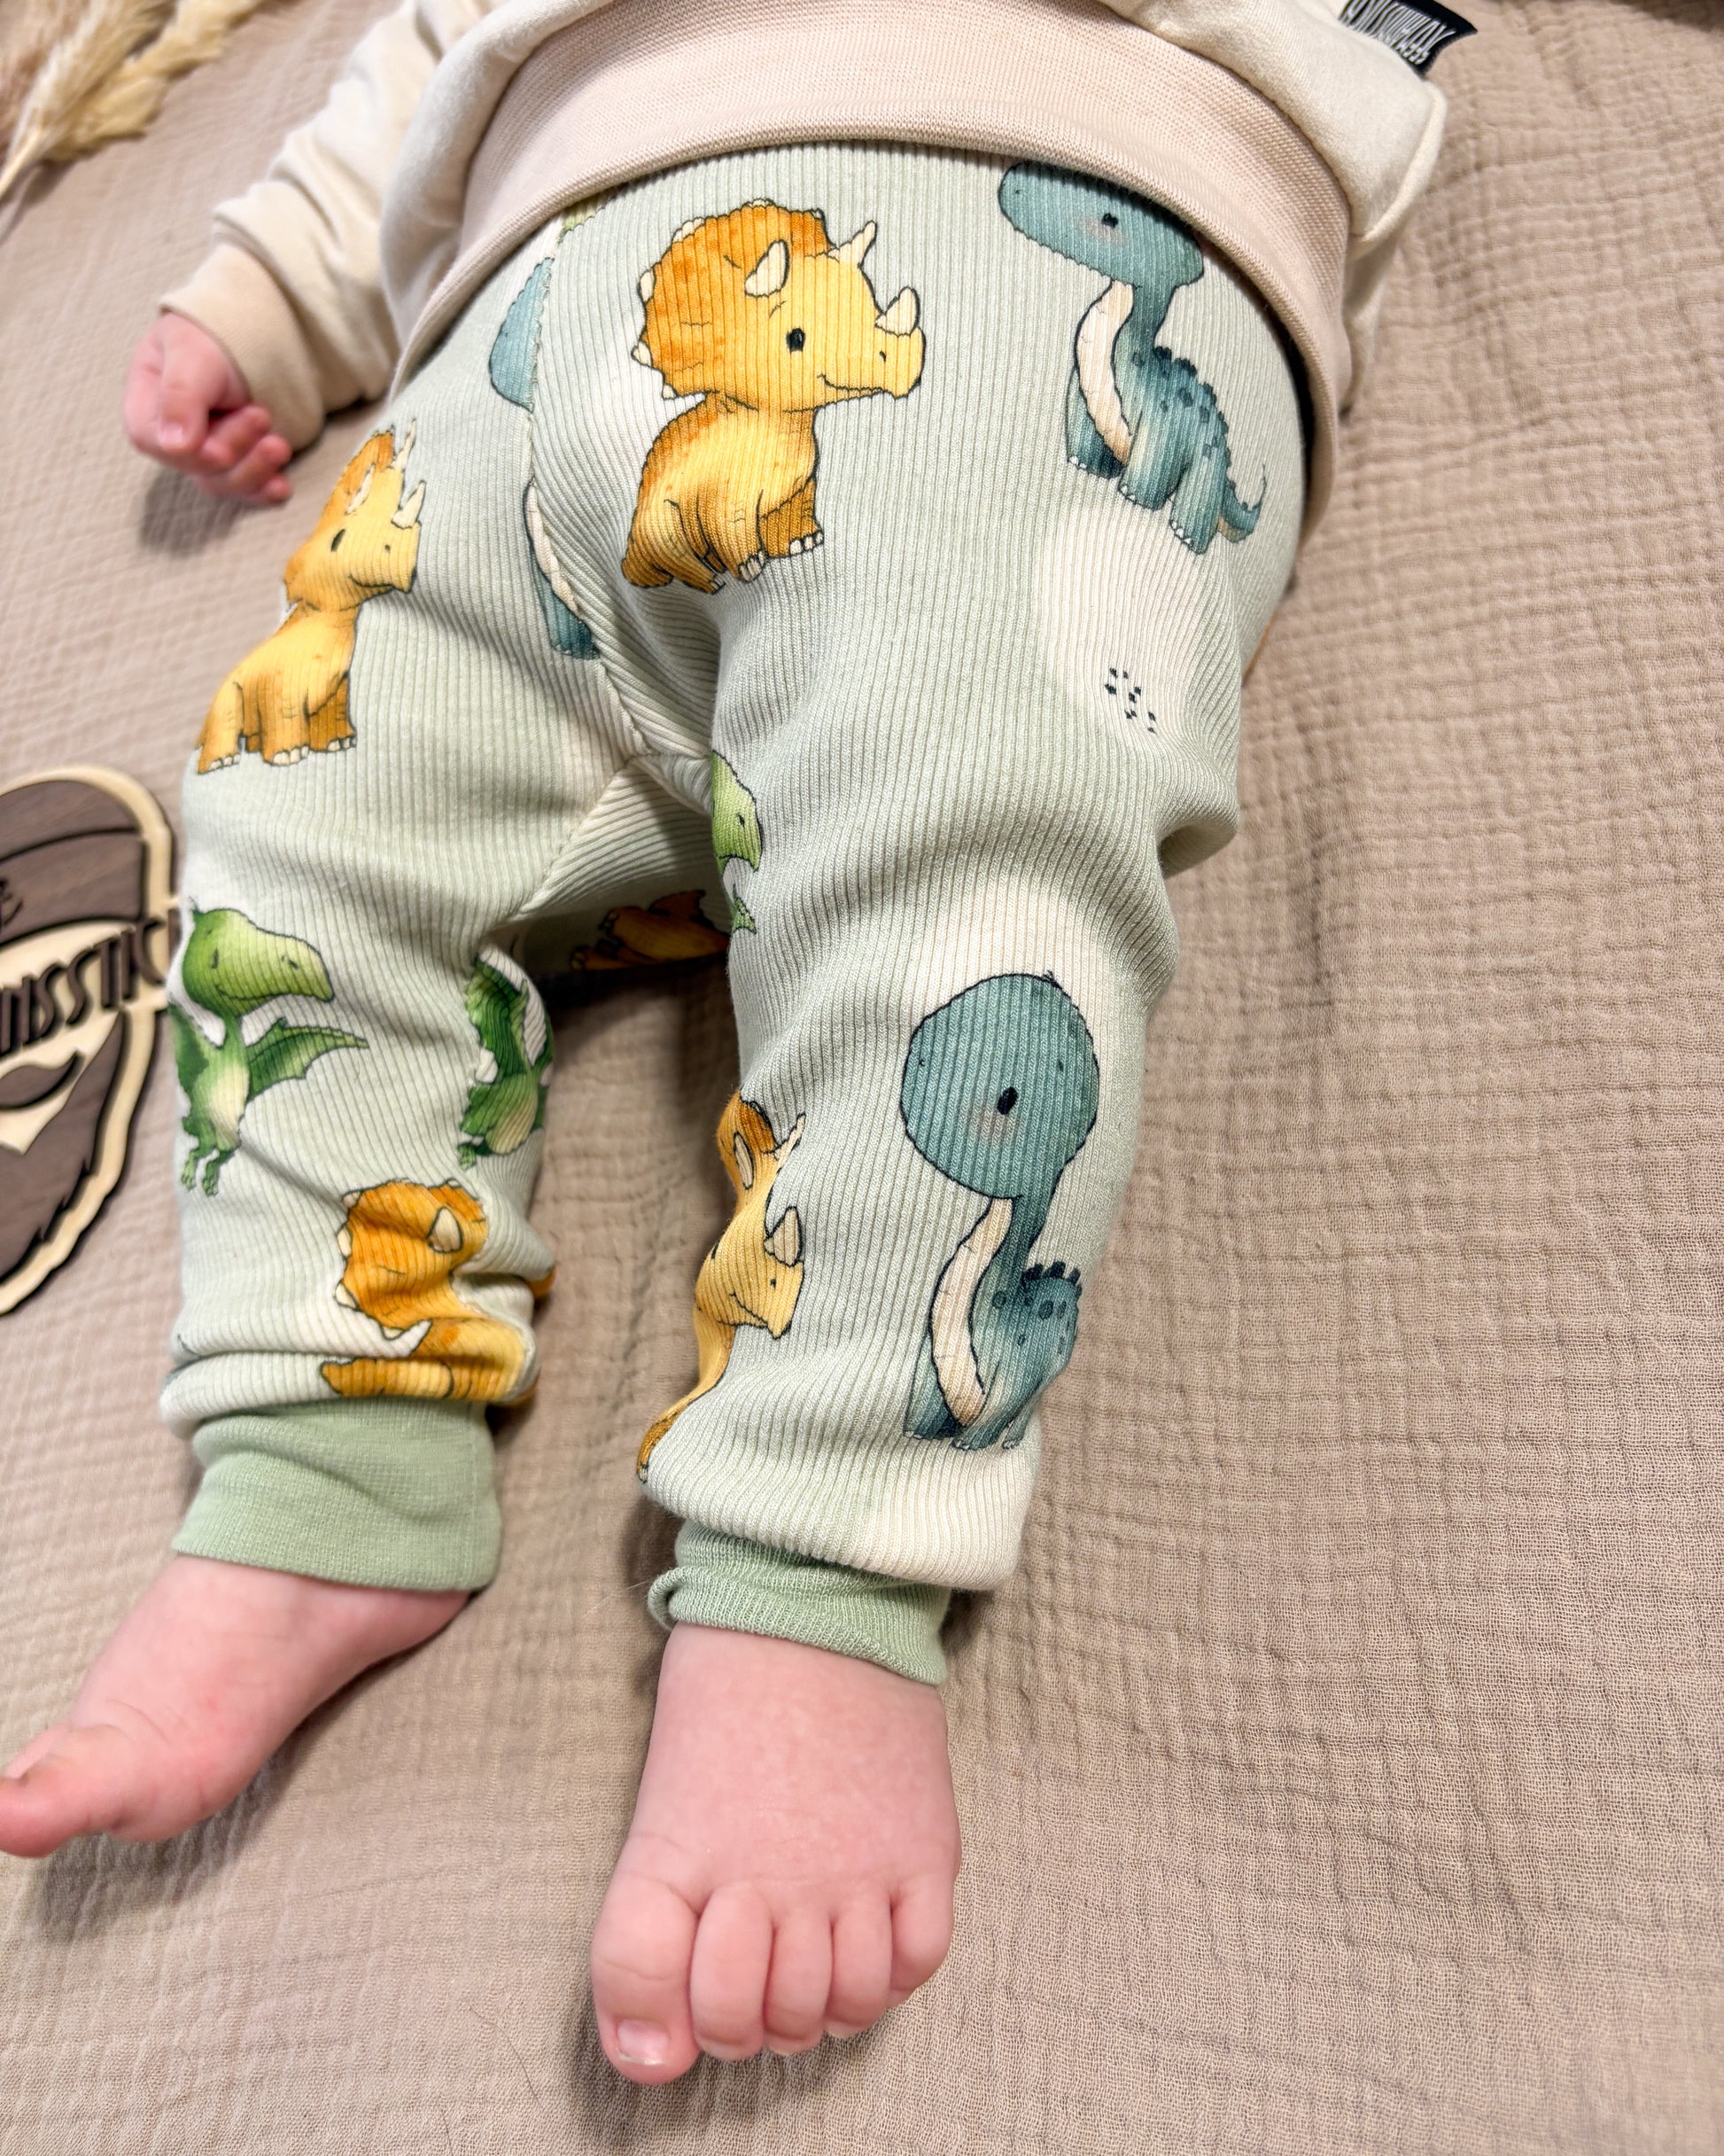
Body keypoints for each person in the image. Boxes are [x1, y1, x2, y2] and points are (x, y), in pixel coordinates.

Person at [0, 0, 1456, 2087]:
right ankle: (326, 1445)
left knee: (964, 823)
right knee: (288, 814)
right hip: (512, 360)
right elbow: (417, 52)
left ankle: (821, 1552)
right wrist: (276, 290)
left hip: (1018, 213)